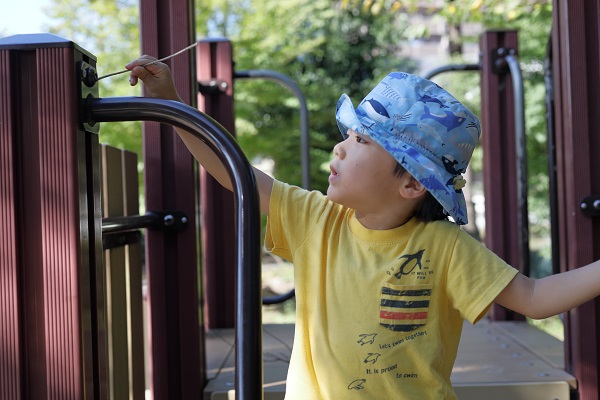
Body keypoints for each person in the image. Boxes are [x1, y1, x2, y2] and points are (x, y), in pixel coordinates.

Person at [126, 56, 600, 400]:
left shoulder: (444, 247)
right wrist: (174, 105)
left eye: (363, 140)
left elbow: (534, 298)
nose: (340, 148)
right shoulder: (317, 220)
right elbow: (236, 173)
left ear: (412, 182)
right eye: (348, 135)